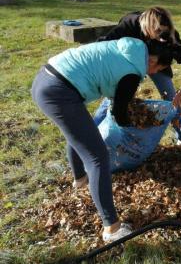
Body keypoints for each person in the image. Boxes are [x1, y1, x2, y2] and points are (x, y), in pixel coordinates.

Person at [31, 37, 171, 242]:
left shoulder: (128, 47)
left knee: (80, 134)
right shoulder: (132, 73)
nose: (155, 73)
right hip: (59, 92)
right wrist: (135, 124)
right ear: (153, 60)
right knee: (97, 157)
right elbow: (120, 114)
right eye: (159, 68)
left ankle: (80, 182)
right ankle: (112, 229)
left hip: (45, 78)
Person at [94, 7, 181, 149]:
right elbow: (104, 46)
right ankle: (92, 135)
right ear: (147, 26)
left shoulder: (169, 36)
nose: (161, 36)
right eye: (158, 31)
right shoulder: (129, 25)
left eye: (164, 32)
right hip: (129, 65)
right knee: (114, 99)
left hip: (158, 66)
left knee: (172, 98)